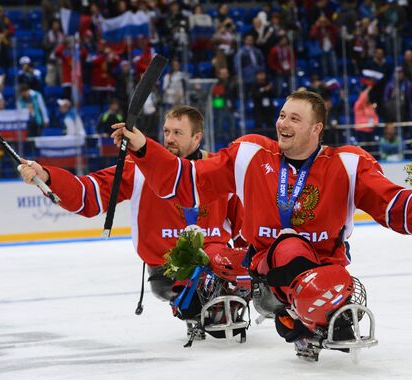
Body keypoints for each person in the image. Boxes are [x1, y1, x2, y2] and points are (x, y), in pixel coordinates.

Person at [111, 90, 412, 361]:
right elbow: (186, 182)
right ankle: (304, 315)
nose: (283, 123)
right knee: (287, 247)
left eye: (295, 119)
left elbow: (397, 209)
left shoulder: (347, 164)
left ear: (317, 128)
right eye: (282, 115)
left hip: (325, 267)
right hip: (267, 273)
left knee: (324, 273)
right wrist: (144, 147)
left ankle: (307, 319)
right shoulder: (250, 155)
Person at [18, 105, 250, 343]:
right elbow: (88, 194)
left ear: (197, 137)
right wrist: (47, 176)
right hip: (167, 265)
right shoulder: (139, 168)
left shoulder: (219, 170)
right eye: (166, 131)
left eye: (178, 133)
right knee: (195, 300)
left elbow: (245, 226)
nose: (169, 139)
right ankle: (192, 307)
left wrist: (250, 269)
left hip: (216, 261)